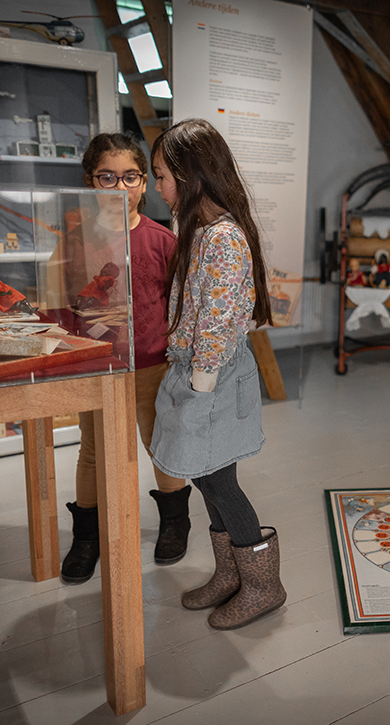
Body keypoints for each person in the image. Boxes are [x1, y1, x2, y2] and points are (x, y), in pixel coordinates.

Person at [150, 119, 286, 630]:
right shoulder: (205, 232)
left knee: (218, 477)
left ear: (190, 176)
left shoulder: (223, 238)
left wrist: (199, 383)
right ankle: (232, 574)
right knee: (208, 476)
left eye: (162, 176)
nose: (158, 187)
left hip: (211, 377)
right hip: (201, 372)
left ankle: (263, 584)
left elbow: (220, 317)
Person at [57, 133, 190, 584]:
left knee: (160, 444)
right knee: (93, 450)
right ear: (89, 181)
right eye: (107, 177)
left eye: (130, 176)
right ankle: (87, 536)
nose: (119, 187)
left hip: (152, 363)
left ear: (144, 184)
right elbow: (60, 302)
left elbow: (180, 304)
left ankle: (175, 521)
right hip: (95, 365)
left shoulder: (161, 239)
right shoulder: (75, 241)